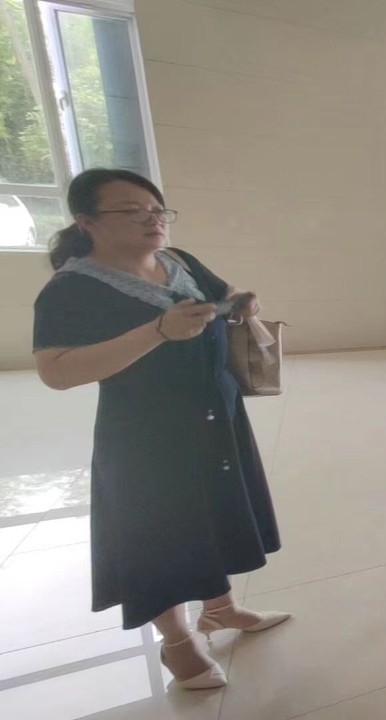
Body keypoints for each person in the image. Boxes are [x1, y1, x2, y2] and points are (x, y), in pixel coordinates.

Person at [31, 168, 289, 691]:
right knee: (160, 536)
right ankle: (177, 643)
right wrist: (157, 332)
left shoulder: (178, 261)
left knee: (210, 516)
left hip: (216, 417)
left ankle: (220, 608)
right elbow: (56, 371)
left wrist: (243, 302)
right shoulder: (72, 289)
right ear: (87, 222)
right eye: (132, 211)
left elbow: (225, 292)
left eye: (157, 210)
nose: (152, 220)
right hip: (147, 437)